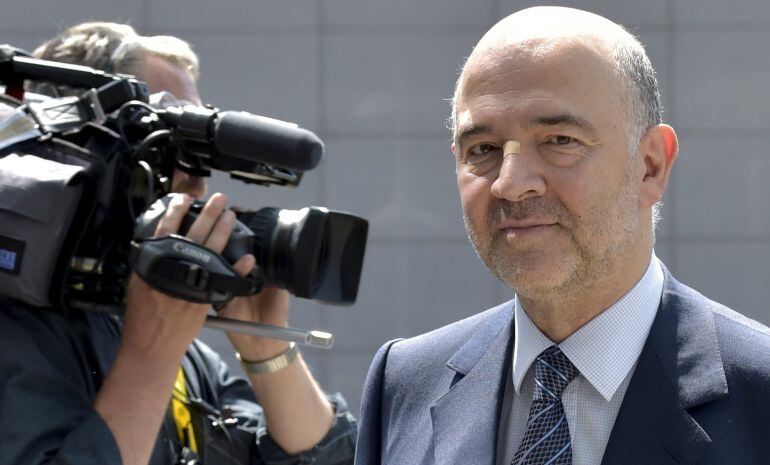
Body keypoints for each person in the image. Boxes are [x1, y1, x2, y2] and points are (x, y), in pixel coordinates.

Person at [355, 6, 770, 465]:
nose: (510, 183)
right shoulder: (405, 382)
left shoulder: (760, 396)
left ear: (650, 166)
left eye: (559, 140)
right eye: (485, 149)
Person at [0, 22, 355, 465]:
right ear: (84, 149)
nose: (199, 181)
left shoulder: (185, 347)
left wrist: (265, 346)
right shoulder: (21, 327)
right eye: (168, 139)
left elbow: (332, 458)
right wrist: (151, 354)